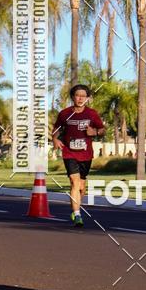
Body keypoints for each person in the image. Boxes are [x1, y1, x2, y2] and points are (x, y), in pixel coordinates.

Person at [52, 85, 105, 228]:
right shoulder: (64, 114)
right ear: (73, 97)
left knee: (81, 186)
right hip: (69, 152)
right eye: (77, 95)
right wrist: (55, 139)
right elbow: (56, 129)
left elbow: (102, 129)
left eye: (83, 96)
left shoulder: (92, 114)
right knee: (74, 182)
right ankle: (77, 214)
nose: (80, 98)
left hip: (86, 154)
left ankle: (77, 207)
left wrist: (94, 132)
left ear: (87, 98)